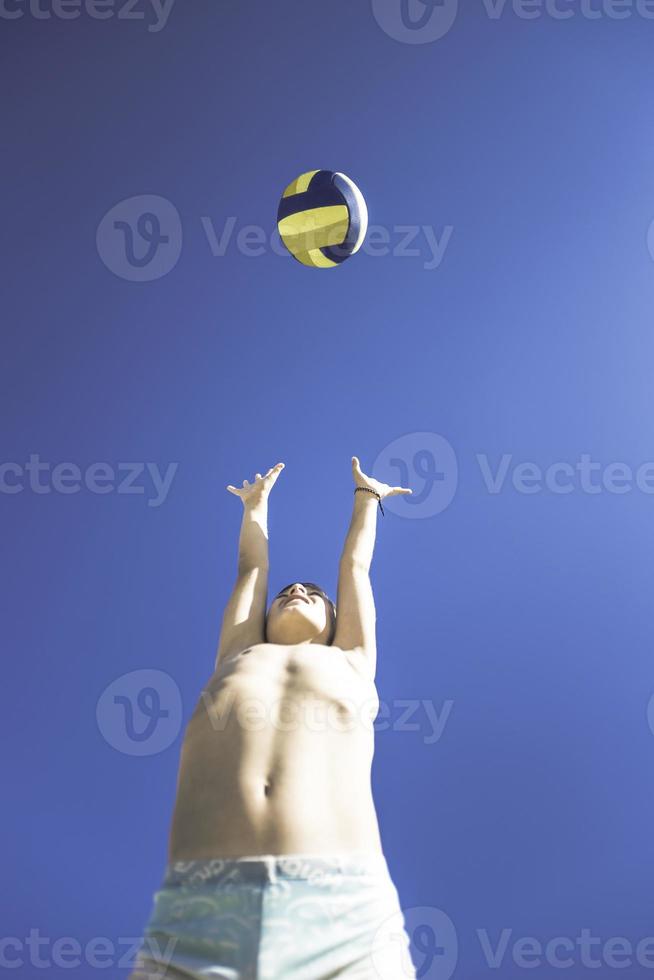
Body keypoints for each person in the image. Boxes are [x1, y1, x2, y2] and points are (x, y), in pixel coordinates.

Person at [130, 456, 417, 979]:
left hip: (343, 912)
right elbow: (251, 570)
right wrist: (255, 506)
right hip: (199, 916)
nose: (296, 591)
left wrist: (367, 498)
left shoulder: (351, 659)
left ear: (337, 622)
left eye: (312, 594)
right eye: (286, 593)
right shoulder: (238, 655)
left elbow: (354, 568)